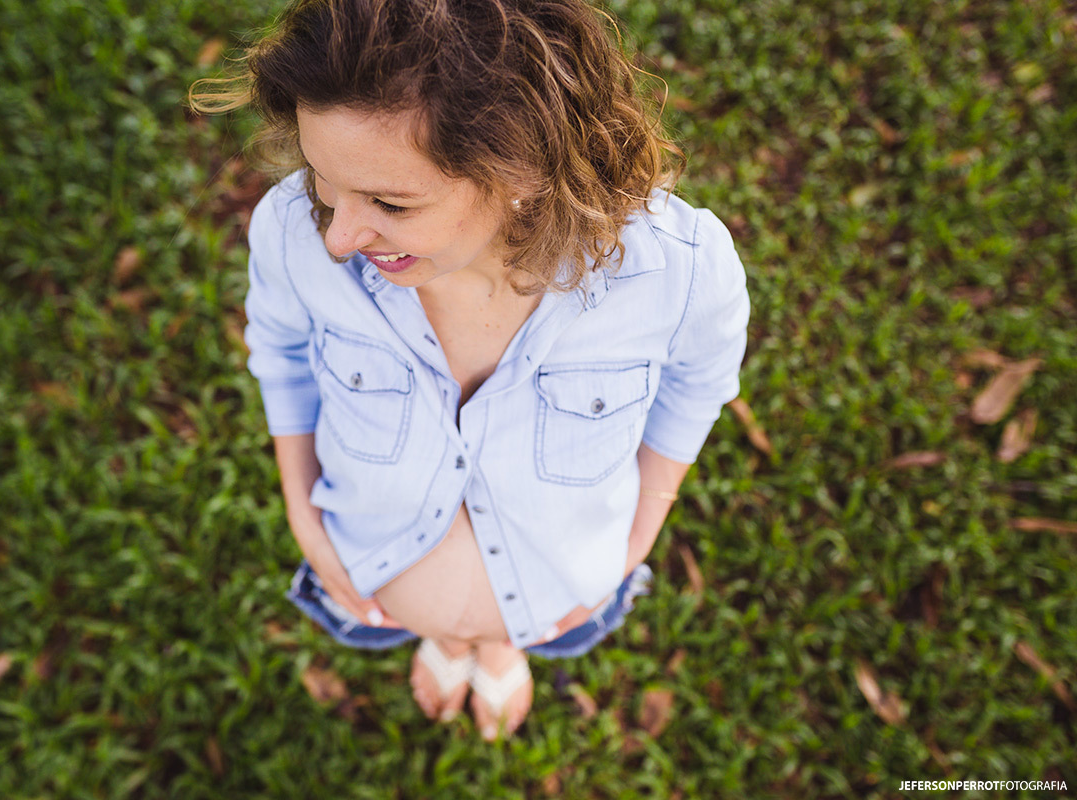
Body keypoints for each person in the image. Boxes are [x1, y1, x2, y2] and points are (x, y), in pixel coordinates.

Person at [190, 0, 749, 741]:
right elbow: (282, 353)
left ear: (517, 168)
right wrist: (304, 514)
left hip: (562, 592)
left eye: (390, 201)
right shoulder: (294, 231)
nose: (341, 237)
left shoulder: (679, 271)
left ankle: (499, 646)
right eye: (327, 185)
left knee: (502, 632)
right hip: (370, 568)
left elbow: (697, 386)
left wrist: (633, 547)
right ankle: (448, 640)